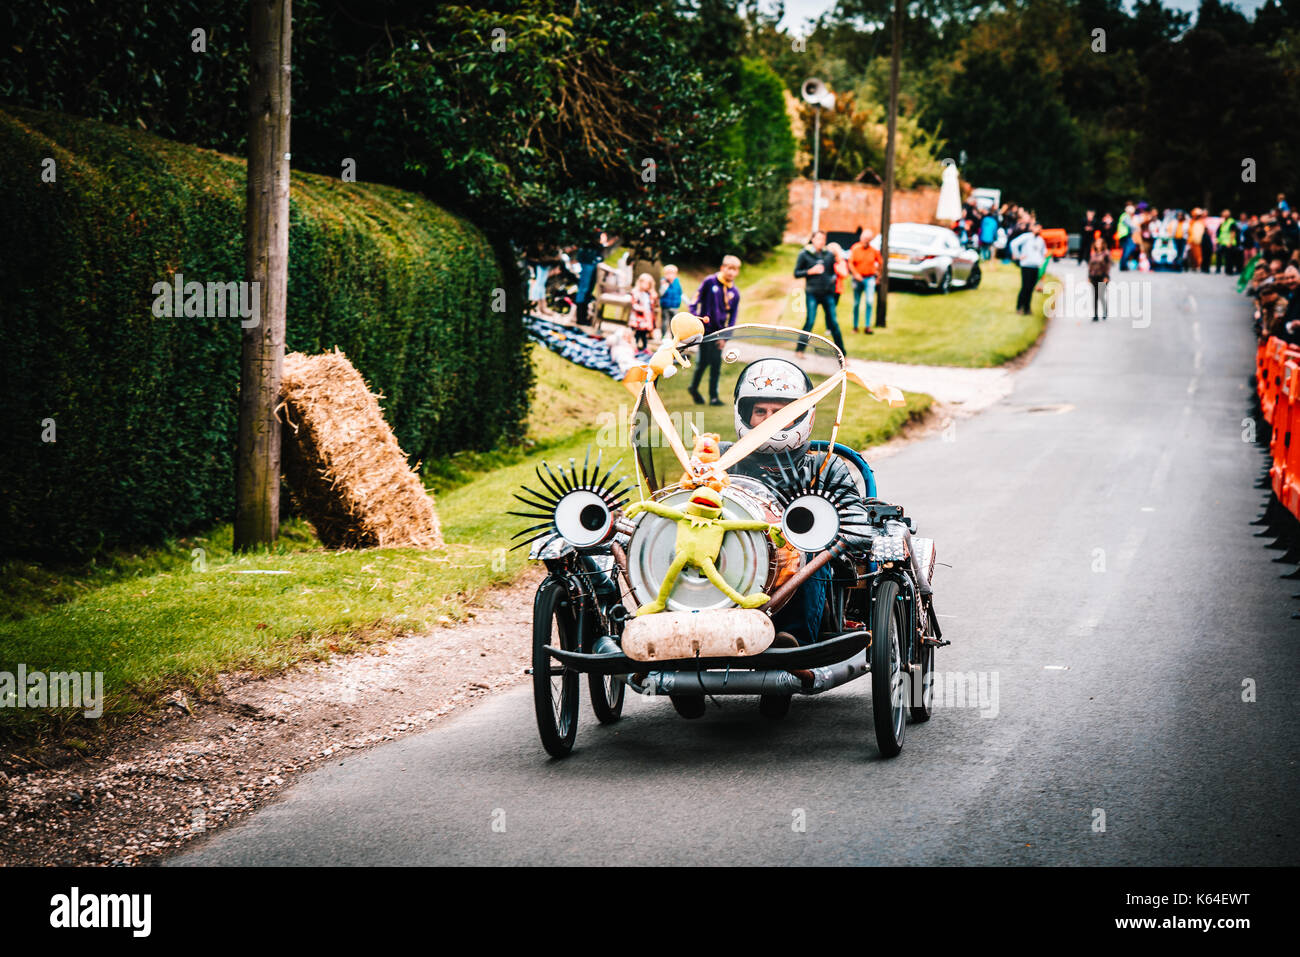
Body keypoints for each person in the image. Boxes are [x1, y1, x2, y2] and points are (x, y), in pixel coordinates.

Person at [687, 255, 742, 406]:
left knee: (716, 365)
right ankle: (694, 388)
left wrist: (725, 337)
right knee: (704, 362)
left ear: (737, 272)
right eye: (728, 268)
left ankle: (713, 397)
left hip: (719, 333)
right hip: (705, 330)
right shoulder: (709, 282)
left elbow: (732, 318)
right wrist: (694, 318)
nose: (731, 272)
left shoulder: (735, 293)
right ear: (722, 268)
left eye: (734, 269)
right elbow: (694, 300)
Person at [793, 231, 847, 357]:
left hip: (828, 294)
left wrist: (833, 279)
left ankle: (842, 354)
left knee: (833, 323)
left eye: (823, 239)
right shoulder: (804, 254)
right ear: (812, 239)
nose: (821, 241)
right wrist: (810, 271)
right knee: (810, 321)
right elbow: (796, 273)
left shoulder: (828, 255)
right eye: (818, 239)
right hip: (812, 293)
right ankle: (799, 350)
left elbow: (838, 271)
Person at [848, 226, 882, 334]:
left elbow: (880, 263)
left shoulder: (874, 251)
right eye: (864, 238)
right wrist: (855, 274)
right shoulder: (855, 248)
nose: (865, 241)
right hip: (857, 278)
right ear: (861, 238)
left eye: (868, 239)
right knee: (856, 303)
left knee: (869, 302)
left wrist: (878, 275)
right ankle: (855, 326)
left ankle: (867, 326)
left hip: (869, 278)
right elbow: (850, 263)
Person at [1009, 221, 1047, 315]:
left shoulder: (1040, 240)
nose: (1038, 230)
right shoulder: (1026, 237)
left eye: (1040, 228)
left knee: (1031, 288)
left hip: (1035, 266)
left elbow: (1043, 251)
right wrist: (1018, 255)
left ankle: (1027, 308)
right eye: (1037, 228)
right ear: (1032, 228)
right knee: (1025, 287)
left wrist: (1041, 260)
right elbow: (1013, 244)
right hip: (1026, 265)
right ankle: (1019, 307)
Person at [628, 272, 657, 351]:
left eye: (648, 284)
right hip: (638, 317)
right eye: (644, 283)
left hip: (646, 317)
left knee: (644, 333)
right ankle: (635, 346)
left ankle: (644, 347)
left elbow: (651, 304)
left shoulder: (649, 294)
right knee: (637, 333)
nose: (646, 285)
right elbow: (633, 303)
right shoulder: (636, 292)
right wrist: (640, 309)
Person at [1087, 232, 1111, 321]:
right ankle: (1095, 314)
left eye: (1099, 243)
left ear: (1103, 244)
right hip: (1094, 277)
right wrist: (1089, 276)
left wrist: (1106, 276)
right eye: (1096, 243)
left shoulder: (1106, 254)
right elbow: (1090, 266)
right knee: (1095, 296)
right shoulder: (1093, 254)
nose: (1098, 245)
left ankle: (1104, 311)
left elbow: (1108, 266)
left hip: (1103, 276)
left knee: (1101, 295)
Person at [658, 264, 682, 339]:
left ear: (675, 274)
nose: (670, 275)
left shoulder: (677, 282)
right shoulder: (664, 282)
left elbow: (680, 293)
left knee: (674, 323)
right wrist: (665, 286)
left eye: (672, 273)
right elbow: (661, 293)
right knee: (665, 322)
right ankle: (663, 336)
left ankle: (673, 337)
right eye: (668, 273)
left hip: (675, 306)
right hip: (666, 306)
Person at [1215, 210, 1238, 274]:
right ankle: (1219, 269)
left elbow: (1233, 232)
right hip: (1222, 242)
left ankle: (1229, 270)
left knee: (1229, 258)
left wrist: (1230, 242)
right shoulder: (1224, 222)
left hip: (1229, 243)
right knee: (1220, 256)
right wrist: (1218, 240)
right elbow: (1221, 232)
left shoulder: (1231, 222)